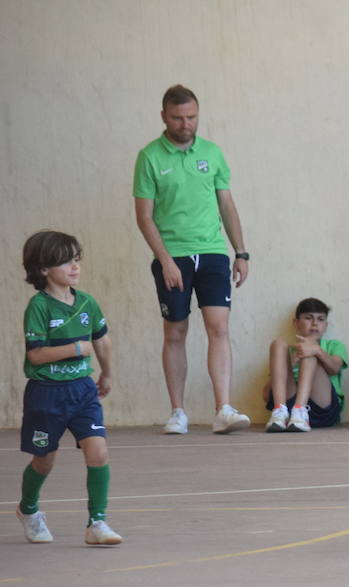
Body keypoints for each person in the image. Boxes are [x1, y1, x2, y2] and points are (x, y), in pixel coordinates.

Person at [133, 84, 252, 435]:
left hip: (213, 252)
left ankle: (223, 409)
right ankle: (177, 412)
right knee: (176, 331)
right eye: (178, 118)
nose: (186, 124)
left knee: (220, 328)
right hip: (174, 255)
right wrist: (166, 259)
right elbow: (144, 217)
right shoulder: (149, 157)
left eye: (191, 117)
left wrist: (241, 252)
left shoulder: (212, 153)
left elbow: (227, 205)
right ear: (163, 117)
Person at [16, 231, 121, 546]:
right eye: (65, 261)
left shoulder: (88, 302)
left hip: (82, 391)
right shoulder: (39, 306)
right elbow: (36, 354)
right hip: (46, 394)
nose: (75, 267)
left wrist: (107, 373)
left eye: (77, 260)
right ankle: (28, 509)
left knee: (98, 451)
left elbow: (101, 340)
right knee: (44, 459)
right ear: (44, 269)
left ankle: (97, 523)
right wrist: (76, 348)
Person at [262, 298, 348, 432]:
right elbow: (266, 396)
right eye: (308, 318)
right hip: (288, 412)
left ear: (326, 325)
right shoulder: (288, 352)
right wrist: (290, 363)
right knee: (278, 344)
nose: (314, 324)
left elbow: (334, 368)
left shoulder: (335, 346)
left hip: (322, 409)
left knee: (310, 351)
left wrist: (317, 351)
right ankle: (279, 412)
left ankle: (300, 411)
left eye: (320, 319)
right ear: (296, 323)